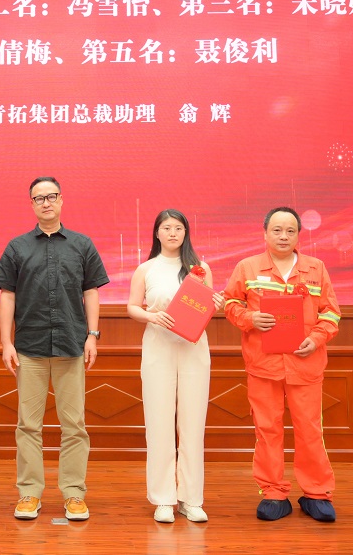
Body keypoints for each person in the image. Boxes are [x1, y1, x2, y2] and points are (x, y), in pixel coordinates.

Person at [0, 176, 109, 522]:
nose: (46, 202)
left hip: (72, 344)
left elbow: (91, 292)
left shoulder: (82, 244)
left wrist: (92, 335)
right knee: (28, 425)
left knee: (74, 424)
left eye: (51, 196)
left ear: (61, 200)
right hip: (29, 347)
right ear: (31, 204)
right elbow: (7, 296)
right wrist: (6, 342)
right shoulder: (17, 247)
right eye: (38, 198)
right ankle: (29, 493)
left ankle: (74, 494)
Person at [223, 206, 341, 522]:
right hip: (264, 364)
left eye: (290, 230)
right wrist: (250, 318)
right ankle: (273, 492)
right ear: (265, 233)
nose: (283, 236)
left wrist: (316, 338)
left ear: (299, 235)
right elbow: (230, 303)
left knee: (310, 429)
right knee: (267, 429)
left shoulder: (316, 268)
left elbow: (331, 313)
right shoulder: (247, 268)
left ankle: (316, 493)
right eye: (277, 230)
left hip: (306, 364)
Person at [126, 209, 224, 524]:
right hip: (158, 346)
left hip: (194, 348)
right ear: (157, 233)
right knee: (159, 423)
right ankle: (163, 499)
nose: (172, 233)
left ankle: (191, 499)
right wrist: (151, 316)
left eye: (178, 228)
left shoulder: (200, 269)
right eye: (166, 228)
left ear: (186, 233)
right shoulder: (146, 268)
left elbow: (205, 307)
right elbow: (132, 306)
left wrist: (216, 304)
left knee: (193, 424)